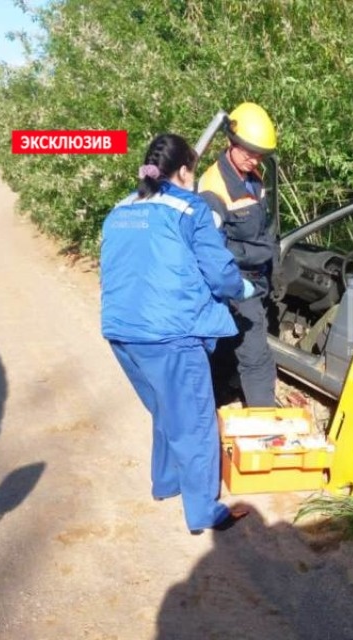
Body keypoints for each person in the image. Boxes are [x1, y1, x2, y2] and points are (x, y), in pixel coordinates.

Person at [100, 133, 253, 534]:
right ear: (184, 170)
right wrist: (243, 288)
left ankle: (166, 483)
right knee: (197, 422)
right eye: (194, 171)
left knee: (166, 409)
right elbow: (220, 275)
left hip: (121, 332)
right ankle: (204, 512)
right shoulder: (190, 207)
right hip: (169, 335)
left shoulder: (121, 208)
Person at [198, 102, 279, 408]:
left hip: (256, 277)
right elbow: (211, 253)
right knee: (257, 360)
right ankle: (265, 427)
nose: (253, 158)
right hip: (235, 281)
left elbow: (261, 228)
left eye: (259, 153)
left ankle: (215, 404)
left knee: (225, 351)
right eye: (248, 151)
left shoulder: (253, 177)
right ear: (231, 142)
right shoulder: (213, 188)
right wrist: (238, 285)